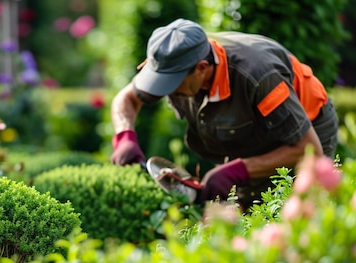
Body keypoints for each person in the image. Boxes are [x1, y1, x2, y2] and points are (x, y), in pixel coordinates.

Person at [110, 18, 339, 208]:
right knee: (235, 208)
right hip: (249, 129)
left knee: (282, 210)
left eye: (173, 82)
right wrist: (124, 137)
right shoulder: (174, 58)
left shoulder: (258, 76)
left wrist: (236, 171)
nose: (166, 89)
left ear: (201, 68)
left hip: (307, 129)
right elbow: (126, 98)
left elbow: (309, 150)